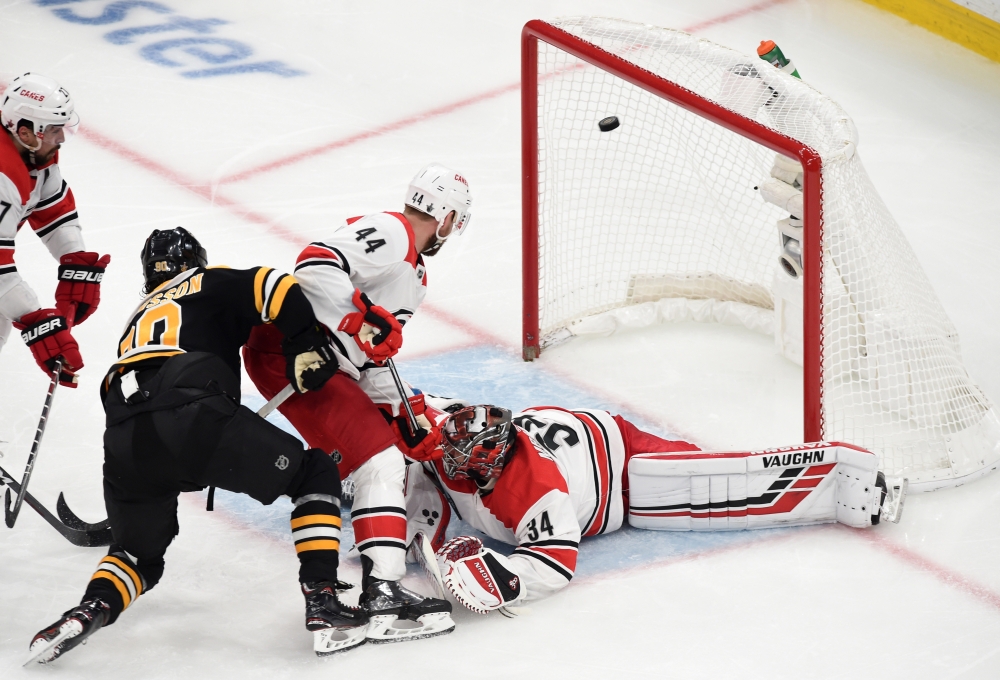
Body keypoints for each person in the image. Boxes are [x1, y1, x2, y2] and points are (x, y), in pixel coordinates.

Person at [27, 227, 367, 664]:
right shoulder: (206, 280)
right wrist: (303, 341)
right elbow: (277, 284)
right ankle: (322, 600)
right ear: (196, 260)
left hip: (125, 435)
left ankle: (89, 610)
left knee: (138, 555)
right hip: (193, 413)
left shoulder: (139, 314)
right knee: (314, 473)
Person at [242, 163, 471, 643]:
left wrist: (404, 413)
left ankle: (377, 582)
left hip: (323, 365)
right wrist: (357, 320)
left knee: (387, 455)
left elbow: (369, 361)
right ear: (447, 217)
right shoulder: (391, 231)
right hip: (295, 352)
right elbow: (313, 265)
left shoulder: (415, 273)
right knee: (380, 464)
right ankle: (382, 588)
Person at [404, 400, 905, 613]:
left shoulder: (539, 492)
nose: (446, 456)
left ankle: (850, 483)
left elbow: (555, 566)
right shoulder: (454, 429)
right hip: (577, 432)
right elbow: (412, 410)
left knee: (713, 473)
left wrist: (506, 579)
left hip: (618, 456)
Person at [0, 73, 110, 387]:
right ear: (25, 131)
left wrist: (75, 259)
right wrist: (38, 321)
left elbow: (53, 209)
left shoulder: (33, 153)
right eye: (54, 130)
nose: (61, 138)